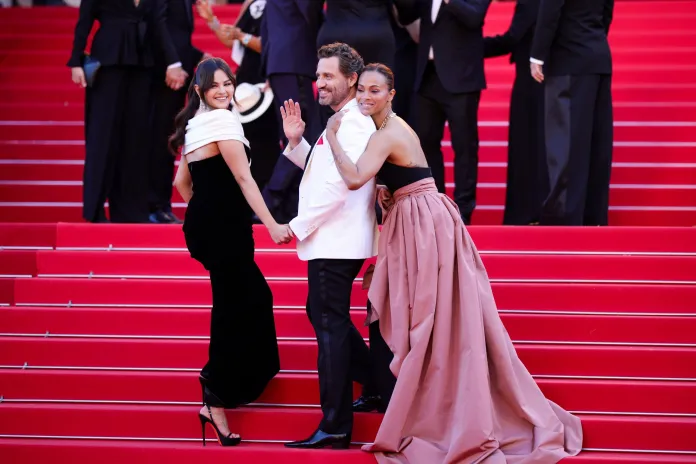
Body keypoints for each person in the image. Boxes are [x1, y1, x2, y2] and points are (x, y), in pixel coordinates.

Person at [324, 63, 584, 463]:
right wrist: (386, 187)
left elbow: (356, 177)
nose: (365, 96)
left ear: (391, 95)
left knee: (426, 313)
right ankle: (399, 396)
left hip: (423, 224)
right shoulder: (387, 128)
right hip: (419, 217)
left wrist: (331, 137)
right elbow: (399, 173)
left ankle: (425, 406)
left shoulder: (387, 131)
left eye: (375, 90)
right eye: (361, 89)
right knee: (415, 311)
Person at [170, 58, 289, 446]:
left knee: (243, 299)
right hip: (225, 229)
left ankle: (222, 389)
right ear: (199, 90)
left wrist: (204, 211)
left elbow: (182, 183)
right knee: (236, 304)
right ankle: (216, 394)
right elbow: (243, 177)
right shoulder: (222, 121)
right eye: (215, 85)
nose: (223, 90)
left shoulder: (197, 124)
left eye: (228, 83)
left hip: (211, 226)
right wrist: (272, 224)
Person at [280, 43, 378, 450]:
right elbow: (325, 170)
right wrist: (297, 143)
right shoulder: (342, 119)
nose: (319, 83)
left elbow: (339, 187)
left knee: (329, 325)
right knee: (323, 315)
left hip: (336, 240)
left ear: (351, 79)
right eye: (318, 76)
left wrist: (295, 226)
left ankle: (336, 425)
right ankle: (376, 383)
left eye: (328, 76)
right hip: (336, 239)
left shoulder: (352, 124)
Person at [67, 0, 180, 223]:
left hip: (142, 63)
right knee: (103, 137)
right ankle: (95, 210)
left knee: (136, 140)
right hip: (108, 62)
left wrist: (172, 62)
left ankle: (131, 211)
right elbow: (85, 19)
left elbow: (158, 23)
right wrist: (76, 60)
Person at [396, 0, 492, 224]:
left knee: (464, 146)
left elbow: (474, 17)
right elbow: (407, 15)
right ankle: (434, 203)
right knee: (426, 143)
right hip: (427, 76)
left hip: (462, 78)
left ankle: (463, 208)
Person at [530, 0, 614, 225]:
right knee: (596, 144)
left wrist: (537, 55)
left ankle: (564, 219)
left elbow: (550, 11)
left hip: (567, 61)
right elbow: (607, 12)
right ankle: (593, 217)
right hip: (597, 56)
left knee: (565, 145)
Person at [196, 0, 281, 191]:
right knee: (242, 140)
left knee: (265, 141)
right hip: (245, 84)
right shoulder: (250, 2)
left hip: (267, 81)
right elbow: (232, 40)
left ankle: (267, 194)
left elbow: (274, 45)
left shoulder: (281, 4)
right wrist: (212, 21)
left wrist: (242, 36)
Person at [258, 0, 324, 224]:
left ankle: (288, 205)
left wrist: (269, 65)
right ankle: (270, 199)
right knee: (300, 134)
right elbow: (310, 12)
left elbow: (266, 26)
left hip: (280, 62)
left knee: (291, 134)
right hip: (294, 60)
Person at [484, 0, 548, 225]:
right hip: (542, 80)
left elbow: (513, 38)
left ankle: (527, 213)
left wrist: (471, 47)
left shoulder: (530, 2)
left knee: (527, 148)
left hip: (532, 84)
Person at [149, 0, 208, 224]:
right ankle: (154, 204)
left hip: (178, 72)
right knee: (161, 139)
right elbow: (158, 23)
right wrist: (172, 63)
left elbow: (178, 35)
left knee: (170, 138)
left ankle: (161, 204)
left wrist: (197, 56)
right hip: (166, 75)